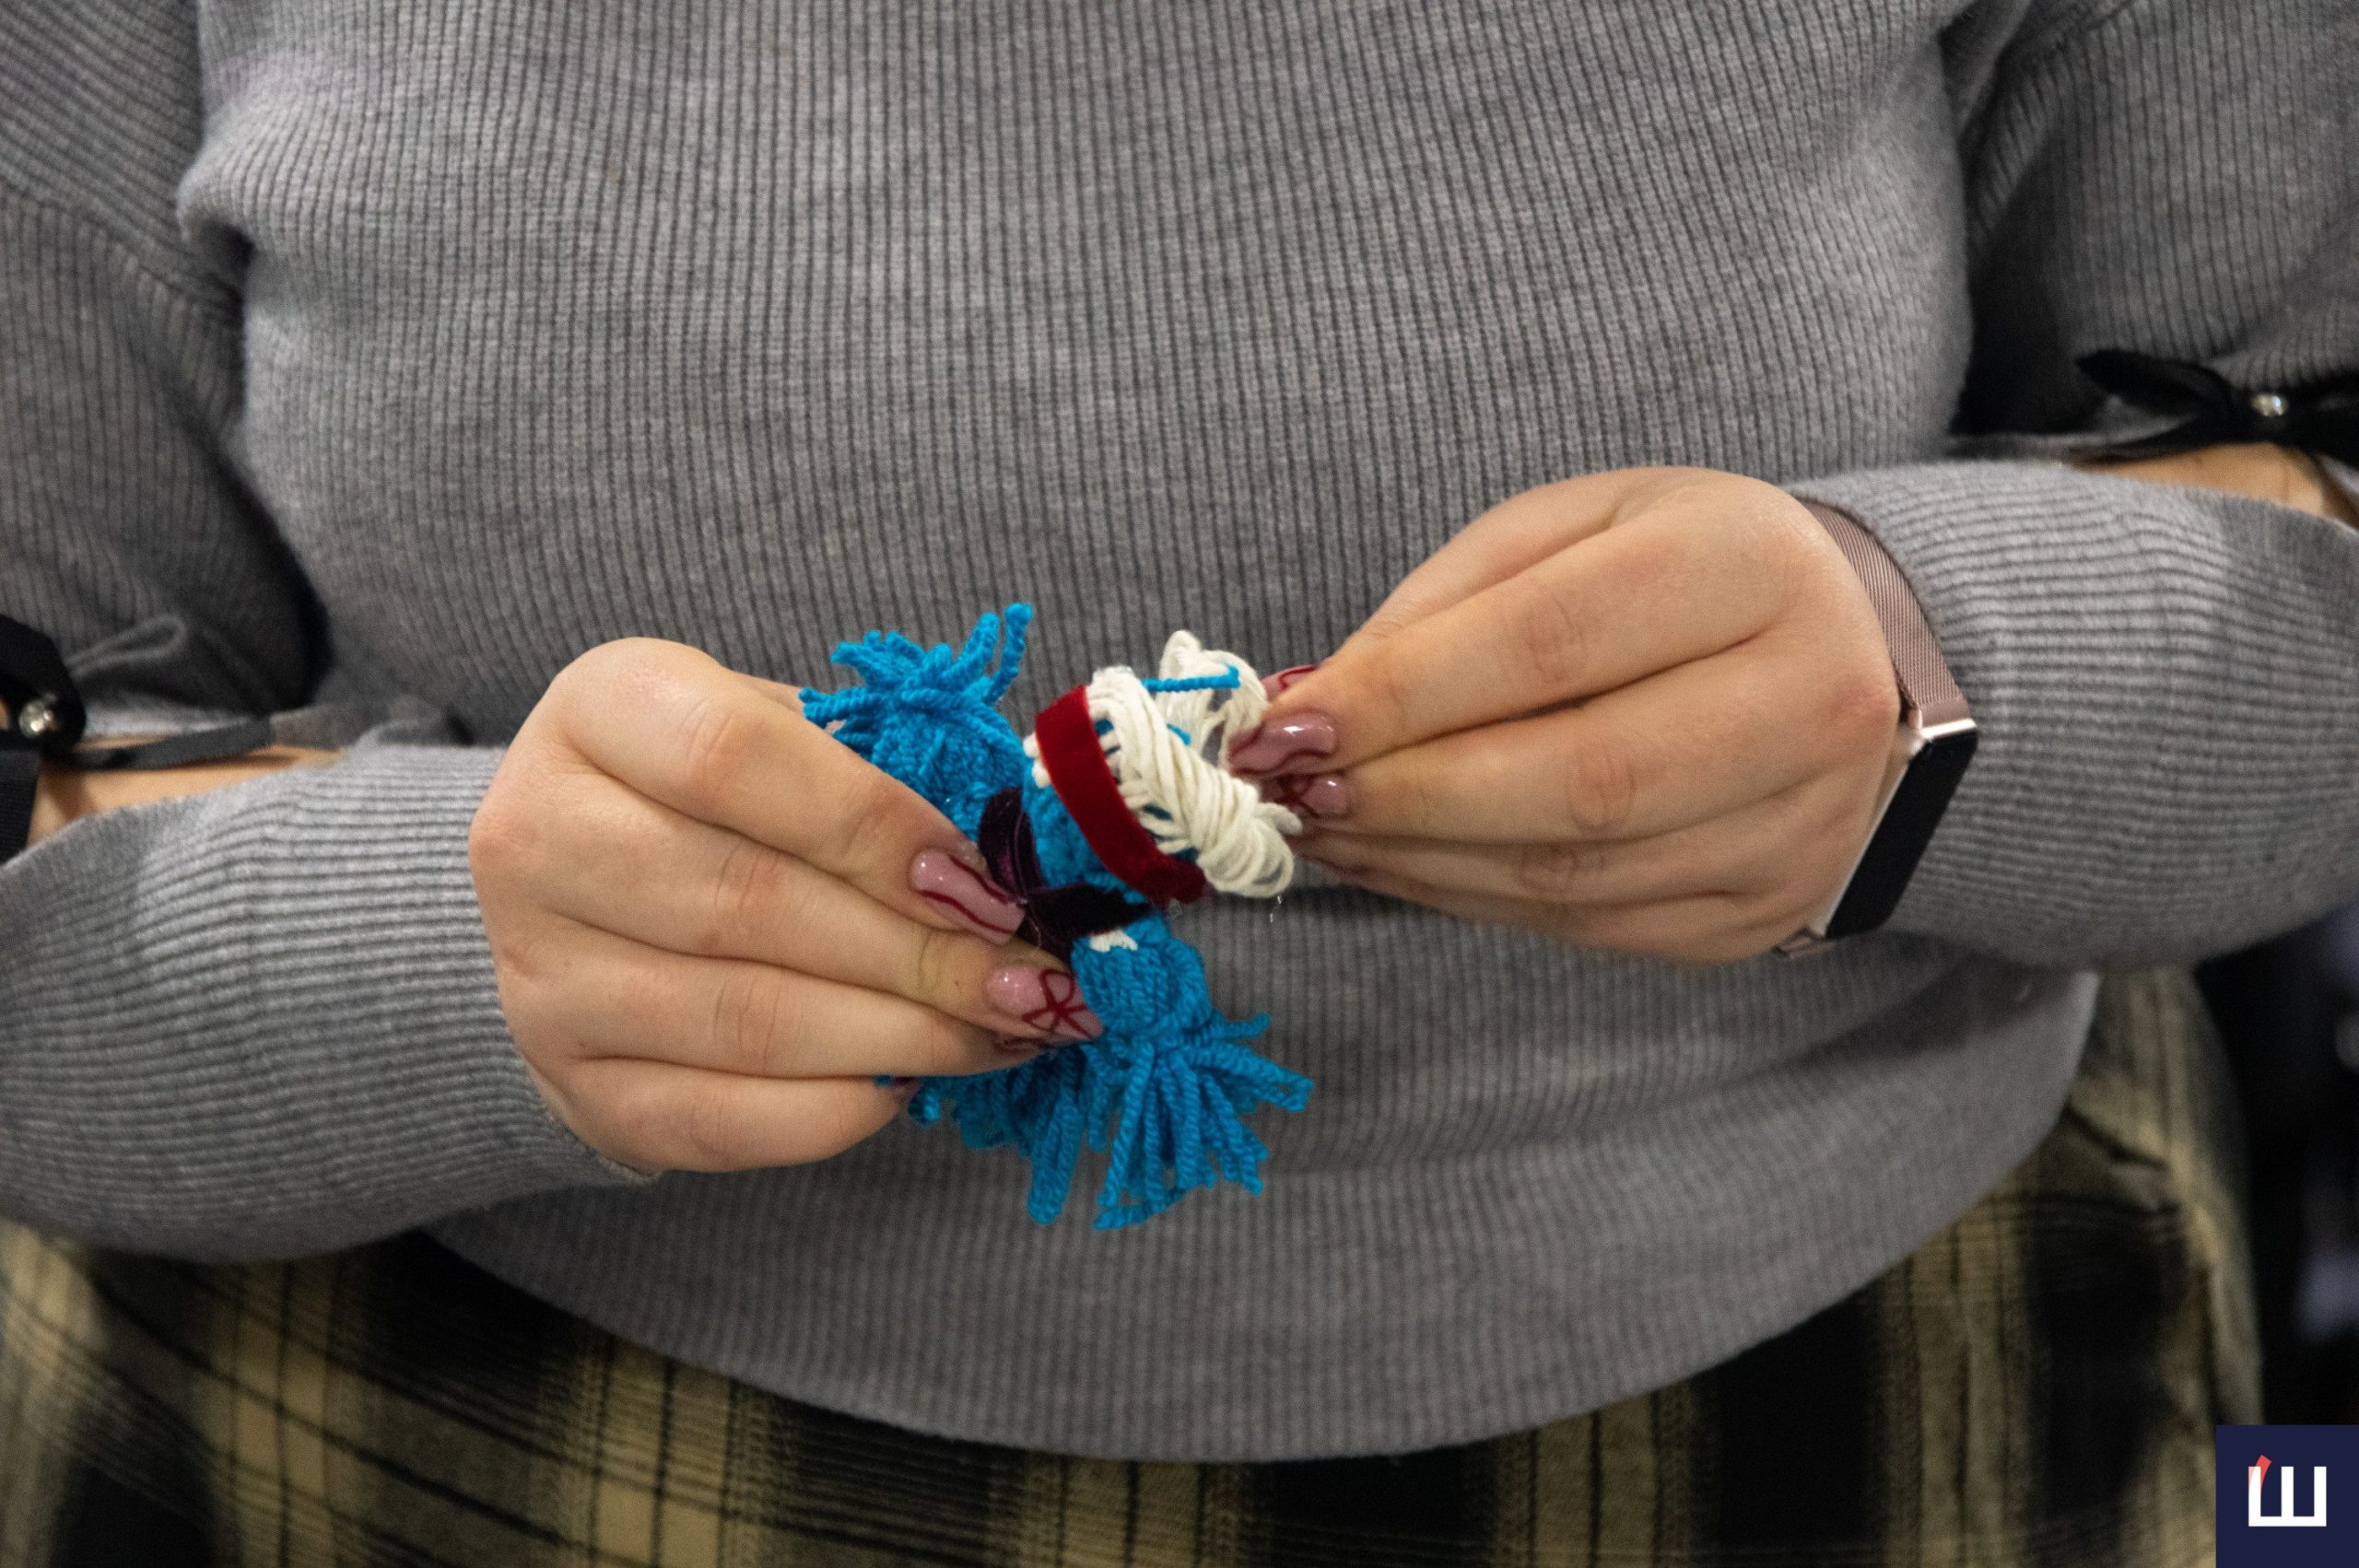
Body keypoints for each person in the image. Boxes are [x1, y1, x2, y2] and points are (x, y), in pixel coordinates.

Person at [2, 0, 2353, 1562]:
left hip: (1862, 1395)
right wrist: (421, 951)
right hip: (428, 1422)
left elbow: (2309, 518)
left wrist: (1956, 670)